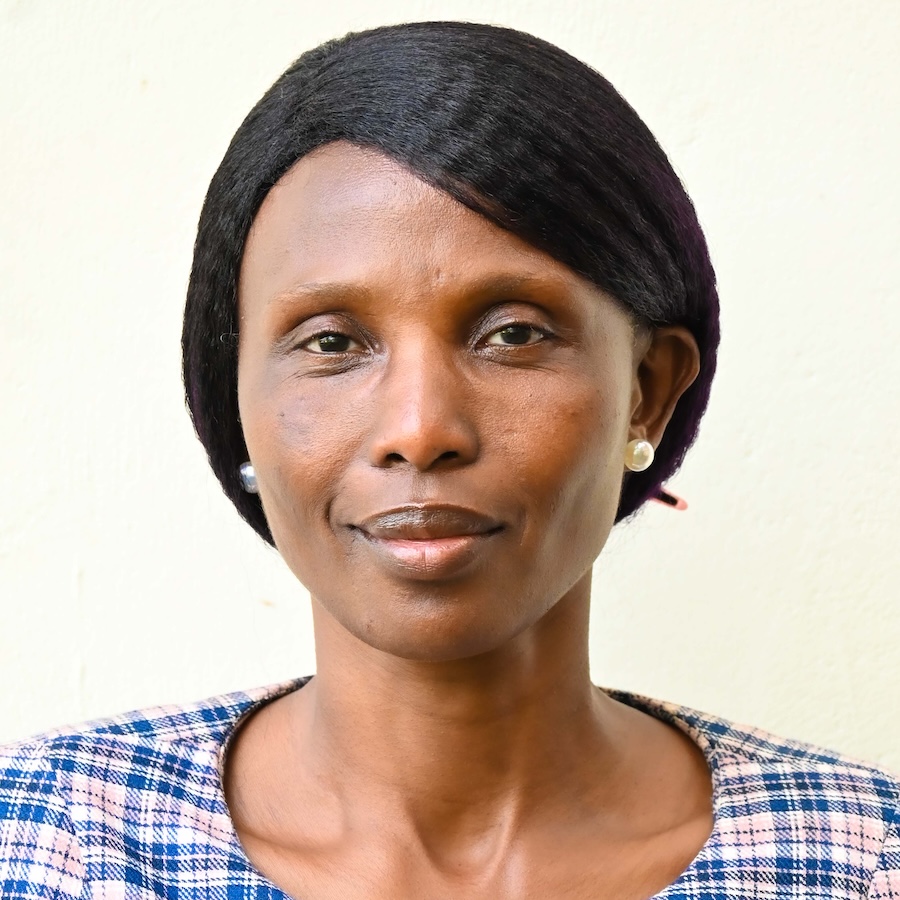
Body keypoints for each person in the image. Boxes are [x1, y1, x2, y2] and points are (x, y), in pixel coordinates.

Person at [0, 20, 896, 899]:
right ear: (236, 407)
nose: (421, 428)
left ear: (646, 392)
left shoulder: (865, 861)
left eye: (514, 334)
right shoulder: (44, 842)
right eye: (332, 342)